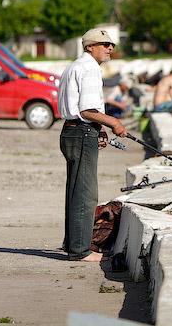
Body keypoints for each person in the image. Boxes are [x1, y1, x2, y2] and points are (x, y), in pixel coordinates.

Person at [57, 28, 127, 262]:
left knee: (75, 190)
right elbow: (87, 110)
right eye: (104, 44)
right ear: (89, 47)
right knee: (86, 194)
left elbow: (83, 110)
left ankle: (73, 243)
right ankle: (80, 251)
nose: (110, 48)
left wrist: (101, 128)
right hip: (81, 132)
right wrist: (114, 122)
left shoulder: (74, 66)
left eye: (111, 45)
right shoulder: (89, 69)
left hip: (72, 130)